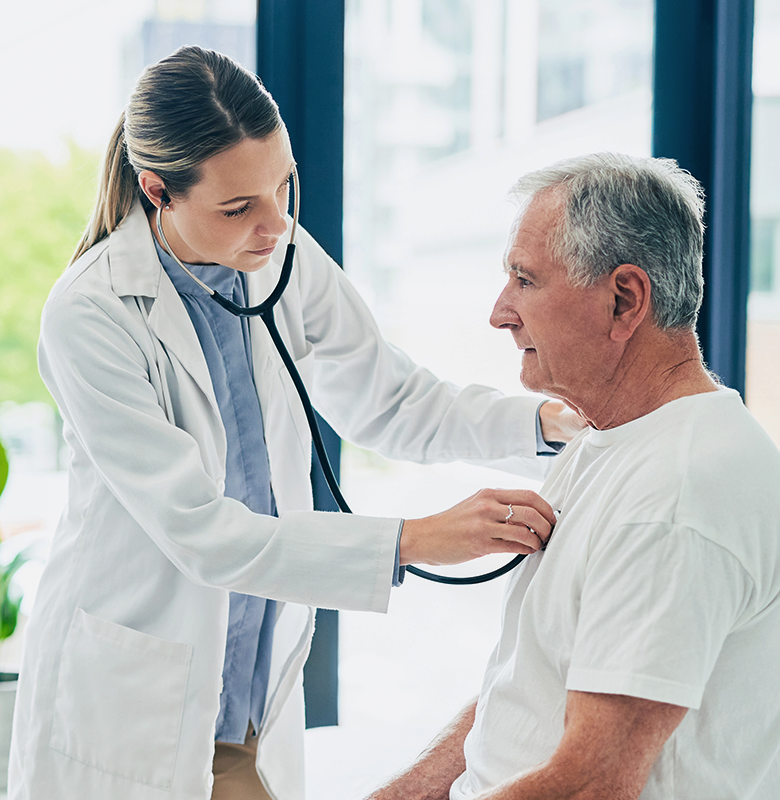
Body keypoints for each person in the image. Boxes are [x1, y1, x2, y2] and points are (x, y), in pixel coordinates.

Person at [8, 46, 580, 800]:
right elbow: (201, 533)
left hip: (246, 695)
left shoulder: (279, 258)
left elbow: (392, 398)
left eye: (283, 187)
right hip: (130, 704)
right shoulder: (91, 314)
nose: (275, 224)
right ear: (157, 191)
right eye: (238, 207)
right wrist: (416, 538)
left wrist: (545, 423)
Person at [366, 153, 780, 800]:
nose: (501, 313)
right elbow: (531, 687)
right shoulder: (604, 441)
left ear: (624, 300)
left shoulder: (678, 495)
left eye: (525, 281)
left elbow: (591, 785)